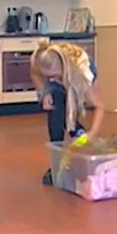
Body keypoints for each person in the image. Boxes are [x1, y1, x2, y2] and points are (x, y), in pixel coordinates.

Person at [31, 40, 103, 184]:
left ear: (63, 70)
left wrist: (92, 133)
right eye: (48, 77)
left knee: (70, 116)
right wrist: (45, 92)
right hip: (63, 71)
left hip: (76, 74)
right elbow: (35, 74)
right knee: (56, 109)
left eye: (55, 76)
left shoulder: (83, 74)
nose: (52, 80)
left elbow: (99, 106)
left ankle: (85, 155)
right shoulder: (41, 60)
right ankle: (57, 162)